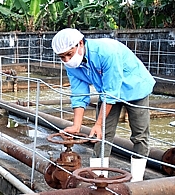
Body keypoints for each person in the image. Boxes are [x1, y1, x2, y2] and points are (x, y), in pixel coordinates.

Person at [51, 28, 156, 181]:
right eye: (62, 57)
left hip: (134, 88)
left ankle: (137, 181)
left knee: (139, 134)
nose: (66, 60)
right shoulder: (72, 65)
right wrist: (76, 126)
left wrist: (98, 123)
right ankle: (99, 179)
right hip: (108, 92)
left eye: (69, 54)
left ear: (80, 44)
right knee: (101, 135)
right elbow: (79, 93)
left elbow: (111, 91)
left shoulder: (106, 53)